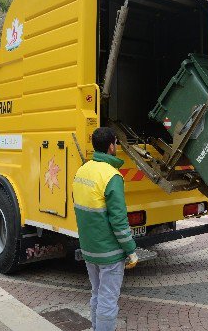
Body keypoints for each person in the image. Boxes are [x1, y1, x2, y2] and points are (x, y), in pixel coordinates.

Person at [73, 127, 138, 331]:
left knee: (96, 293)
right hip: (109, 252)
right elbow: (118, 220)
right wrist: (131, 250)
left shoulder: (82, 170)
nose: (116, 146)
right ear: (111, 146)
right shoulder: (112, 176)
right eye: (116, 143)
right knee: (108, 300)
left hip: (88, 248)